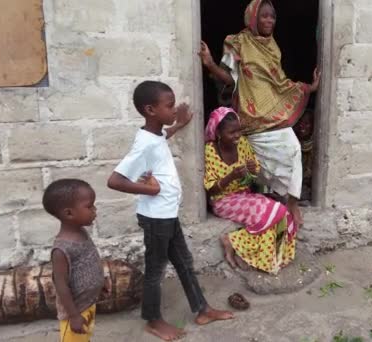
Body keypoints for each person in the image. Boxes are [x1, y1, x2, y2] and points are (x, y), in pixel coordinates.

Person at [107, 81, 233, 341]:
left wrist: (179, 124)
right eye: (170, 106)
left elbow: (163, 136)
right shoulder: (143, 144)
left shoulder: (154, 135)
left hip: (166, 214)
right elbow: (115, 180)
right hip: (155, 218)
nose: (174, 109)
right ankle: (153, 321)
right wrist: (149, 191)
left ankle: (202, 309)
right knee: (155, 270)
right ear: (150, 110)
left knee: (184, 263)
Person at [199, 0, 321, 226]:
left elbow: (279, 83)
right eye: (264, 16)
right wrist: (210, 64)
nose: (269, 21)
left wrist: (307, 88)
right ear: (252, 18)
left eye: (272, 17)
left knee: (292, 150)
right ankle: (273, 203)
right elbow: (230, 80)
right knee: (259, 164)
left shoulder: (273, 47)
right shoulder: (238, 43)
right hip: (250, 118)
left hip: (273, 116)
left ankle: (290, 202)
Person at [204, 107, 297, 274]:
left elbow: (253, 172)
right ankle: (232, 241)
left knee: (283, 212)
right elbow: (210, 190)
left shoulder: (243, 144)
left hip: (245, 196)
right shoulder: (210, 151)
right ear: (218, 133)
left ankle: (265, 254)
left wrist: (253, 169)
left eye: (238, 131)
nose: (237, 136)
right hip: (223, 201)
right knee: (275, 210)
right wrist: (231, 176)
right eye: (231, 133)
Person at [43, 179, 110, 342]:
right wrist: (73, 316)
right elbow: (61, 284)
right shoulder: (61, 249)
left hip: (87, 305)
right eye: (89, 206)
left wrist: (99, 284)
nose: (95, 210)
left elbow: (89, 262)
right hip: (75, 311)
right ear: (69, 213)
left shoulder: (82, 233)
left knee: (85, 337)